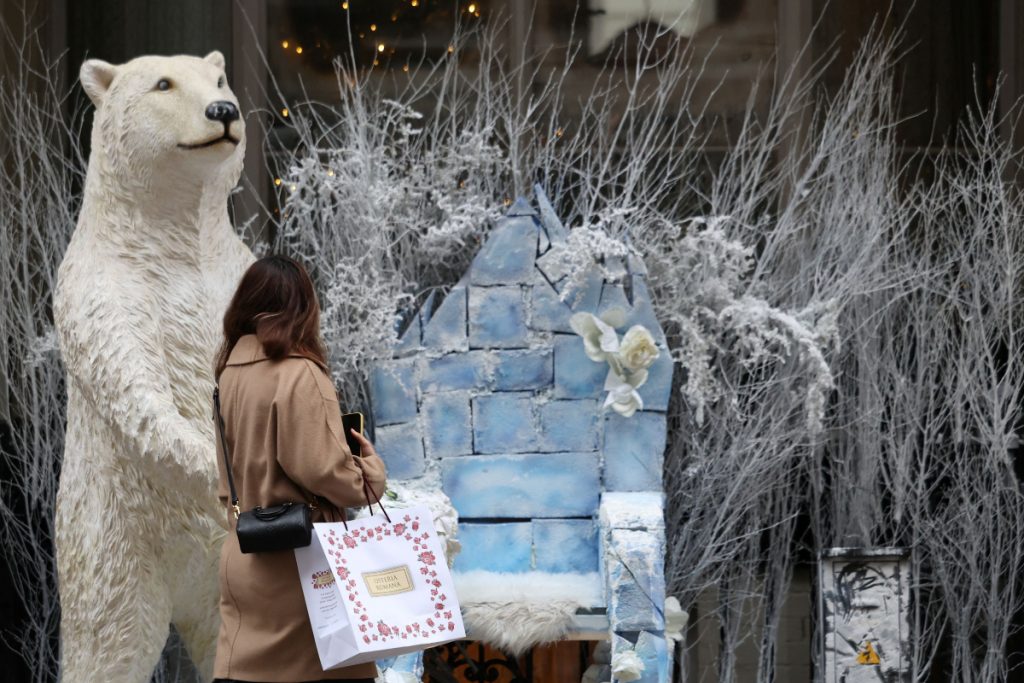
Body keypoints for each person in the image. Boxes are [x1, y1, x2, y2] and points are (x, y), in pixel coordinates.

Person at [210, 255, 387, 683]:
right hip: (302, 568)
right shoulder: (300, 374)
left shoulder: (228, 375)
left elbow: (225, 480)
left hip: (245, 554)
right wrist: (369, 469)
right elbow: (329, 475)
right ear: (302, 310)